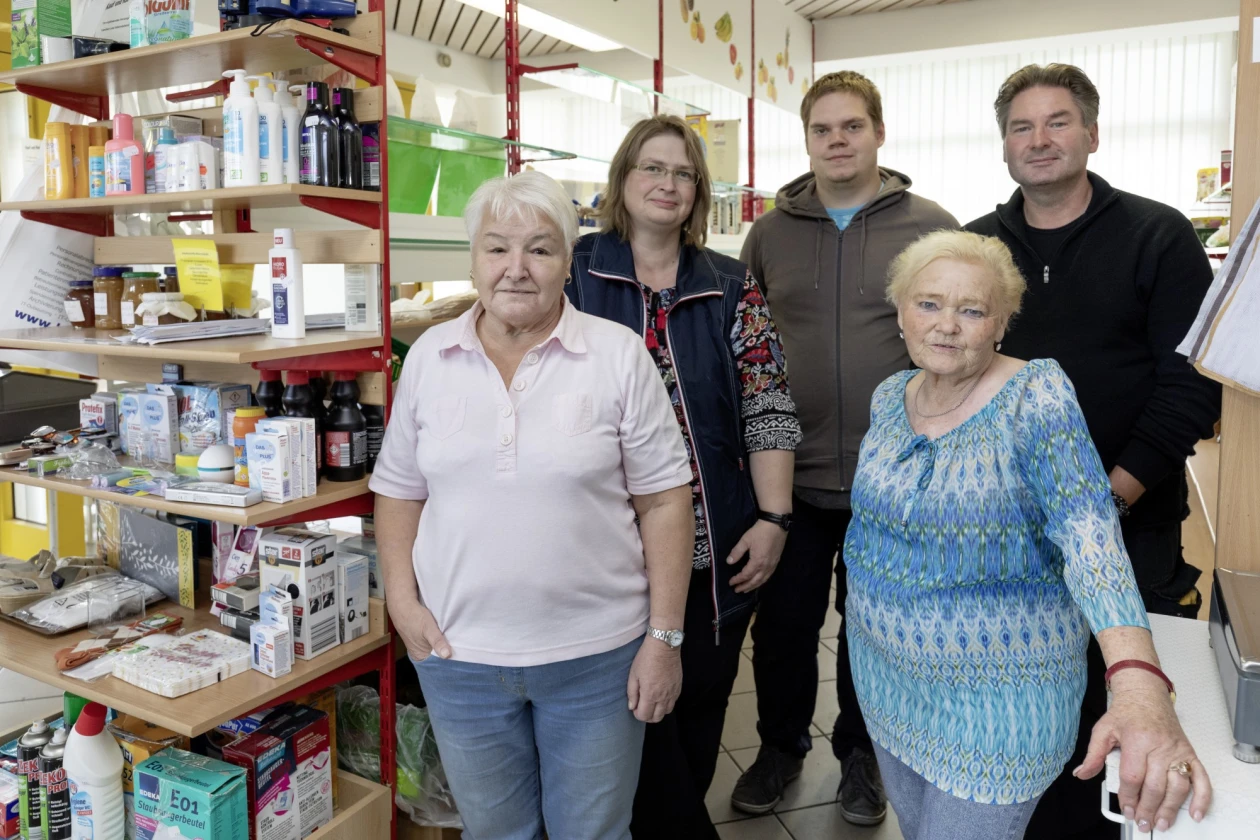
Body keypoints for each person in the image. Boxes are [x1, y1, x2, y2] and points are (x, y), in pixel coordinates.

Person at [845, 229, 1212, 840]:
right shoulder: (890, 396)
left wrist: (1138, 683)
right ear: (900, 311)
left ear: (1001, 323)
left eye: (971, 310)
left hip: (997, 704)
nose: (946, 325)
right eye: (928, 303)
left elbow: (1090, 537)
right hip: (886, 682)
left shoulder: (1034, 394)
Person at [370, 171, 697, 840]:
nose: (516, 269)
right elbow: (399, 490)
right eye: (496, 248)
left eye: (540, 249)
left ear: (568, 264)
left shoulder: (617, 357)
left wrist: (664, 638)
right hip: (459, 660)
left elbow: (666, 501)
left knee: (594, 833)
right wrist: (402, 604)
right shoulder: (431, 357)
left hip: (597, 661)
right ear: (473, 260)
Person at [962, 64, 1222, 839]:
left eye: (1058, 122)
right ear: (1005, 144)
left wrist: (1104, 502)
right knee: (1021, 717)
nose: (1039, 140)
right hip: (1006, 539)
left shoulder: (1157, 235)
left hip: (1131, 527)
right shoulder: (977, 245)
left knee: (1122, 708)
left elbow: (1190, 389)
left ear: (1092, 134)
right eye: (1022, 126)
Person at [568, 114, 801, 840]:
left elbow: (767, 405)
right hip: (596, 551)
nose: (667, 184)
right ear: (623, 178)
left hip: (711, 547)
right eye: (652, 167)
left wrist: (774, 520)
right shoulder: (574, 271)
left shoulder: (731, 286)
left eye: (683, 173)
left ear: (698, 191)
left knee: (695, 712)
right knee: (615, 734)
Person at [733, 70, 957, 824]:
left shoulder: (929, 225)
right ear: (807, 140)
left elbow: (956, 335)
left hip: (892, 477)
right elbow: (750, 345)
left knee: (875, 630)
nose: (838, 140)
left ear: (879, 133)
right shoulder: (769, 232)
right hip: (786, 478)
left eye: (852, 126)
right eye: (823, 129)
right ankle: (779, 747)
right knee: (784, 628)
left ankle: (862, 757)